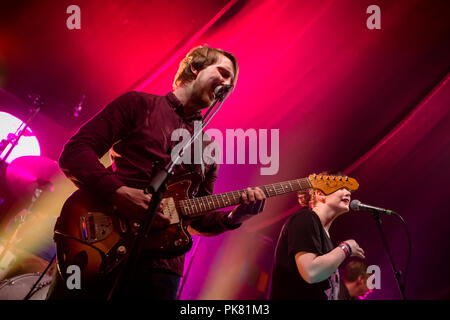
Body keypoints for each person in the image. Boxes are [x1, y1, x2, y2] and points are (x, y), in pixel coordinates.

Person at [46, 45, 266, 300]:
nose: (228, 83)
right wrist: (118, 192)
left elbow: (196, 217)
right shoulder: (138, 105)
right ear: (195, 67)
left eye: (232, 81)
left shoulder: (208, 148)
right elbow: (75, 153)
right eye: (223, 72)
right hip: (99, 244)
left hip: (161, 268)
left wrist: (234, 216)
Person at [269, 173, 365, 300]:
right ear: (320, 193)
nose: (348, 193)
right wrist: (346, 248)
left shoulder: (325, 238)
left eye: (348, 190)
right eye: (341, 187)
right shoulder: (305, 218)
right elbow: (311, 272)